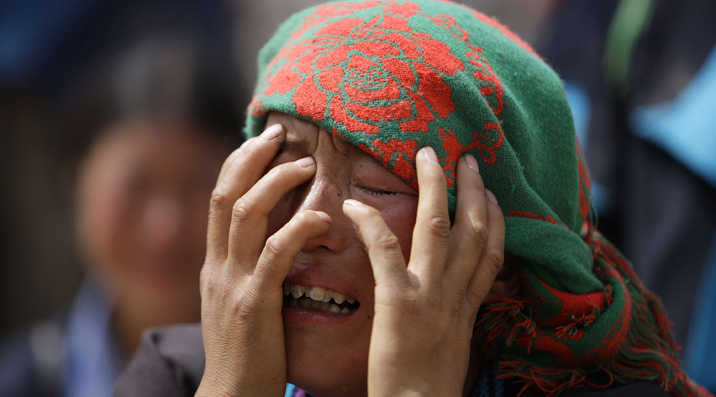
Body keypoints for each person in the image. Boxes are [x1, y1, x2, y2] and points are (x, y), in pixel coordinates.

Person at [114, 1, 710, 396]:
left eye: (378, 183)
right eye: (284, 170)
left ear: (497, 253)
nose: (312, 220)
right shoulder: (177, 377)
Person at [0, 36, 242, 397]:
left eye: (198, 187)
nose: (165, 229)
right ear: (76, 183)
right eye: (135, 187)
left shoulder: (304, 381)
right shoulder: (20, 381)